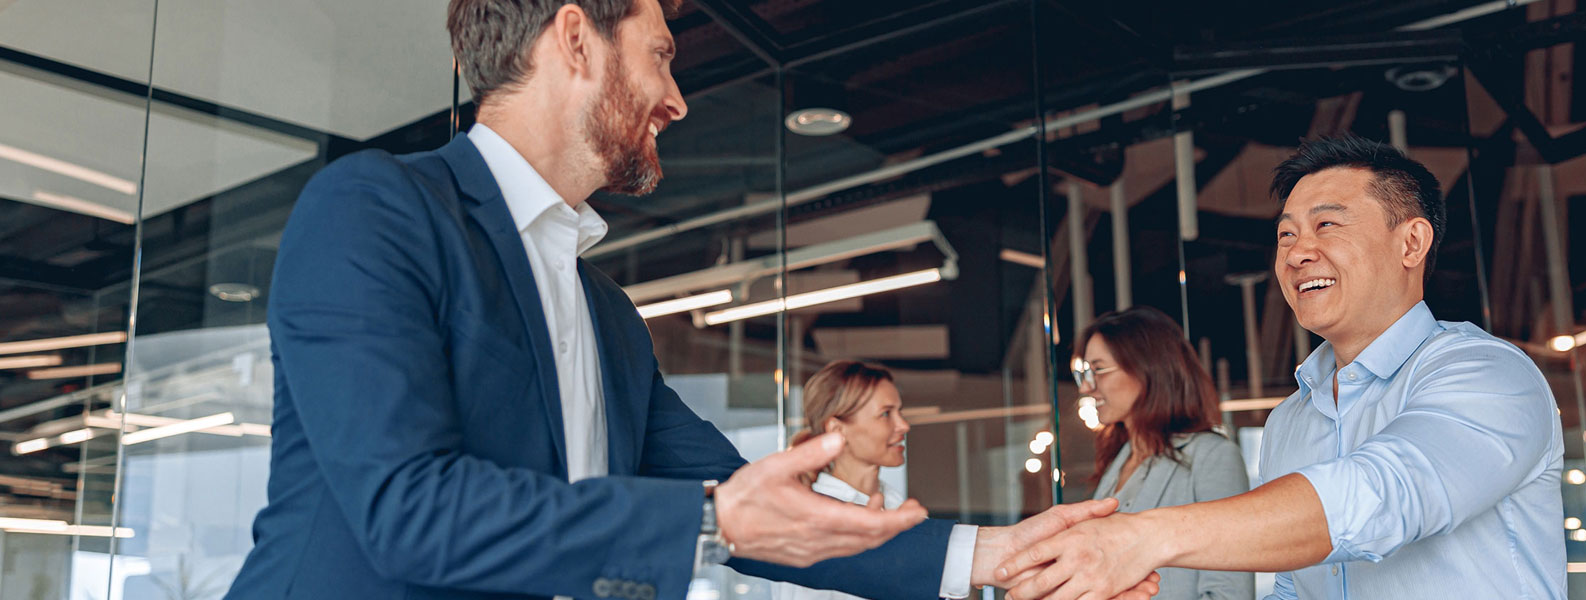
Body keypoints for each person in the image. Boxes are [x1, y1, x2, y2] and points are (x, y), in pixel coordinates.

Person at [225, 2, 1164, 599]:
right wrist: (715, 521)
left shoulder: (607, 321)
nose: (676, 98)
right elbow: (406, 509)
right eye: (662, 55)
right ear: (574, 37)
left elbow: (771, 511)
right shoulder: (375, 206)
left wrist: (995, 557)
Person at [994, 136, 1566, 600]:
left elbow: (1386, 492)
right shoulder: (1290, 419)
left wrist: (1143, 538)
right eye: (1286, 234)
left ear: (1411, 242)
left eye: (1328, 225)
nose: (1297, 252)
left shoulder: (1488, 374)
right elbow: (1293, 590)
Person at [1071, 308, 1252, 600]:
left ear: (1147, 369)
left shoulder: (1212, 457)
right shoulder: (1118, 462)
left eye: (1099, 369)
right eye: (1084, 372)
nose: (1086, 387)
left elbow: (1229, 593)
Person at [774, 360, 913, 600]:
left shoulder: (902, 509)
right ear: (837, 429)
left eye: (900, 412)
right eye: (886, 414)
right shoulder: (811, 525)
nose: (904, 425)